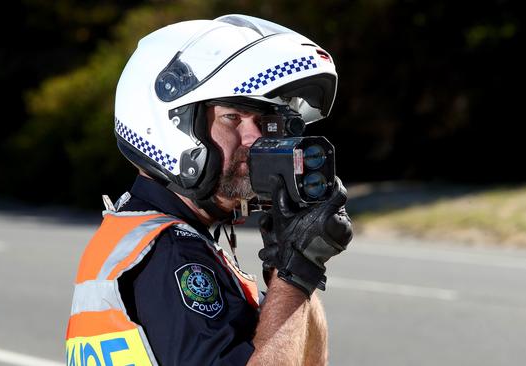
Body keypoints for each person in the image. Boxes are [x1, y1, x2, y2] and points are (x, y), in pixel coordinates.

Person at [65, 14, 353, 366]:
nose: (256, 138)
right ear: (171, 125)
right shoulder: (172, 256)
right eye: (233, 118)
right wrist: (296, 270)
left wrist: (289, 266)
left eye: (264, 122)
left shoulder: (137, 235)